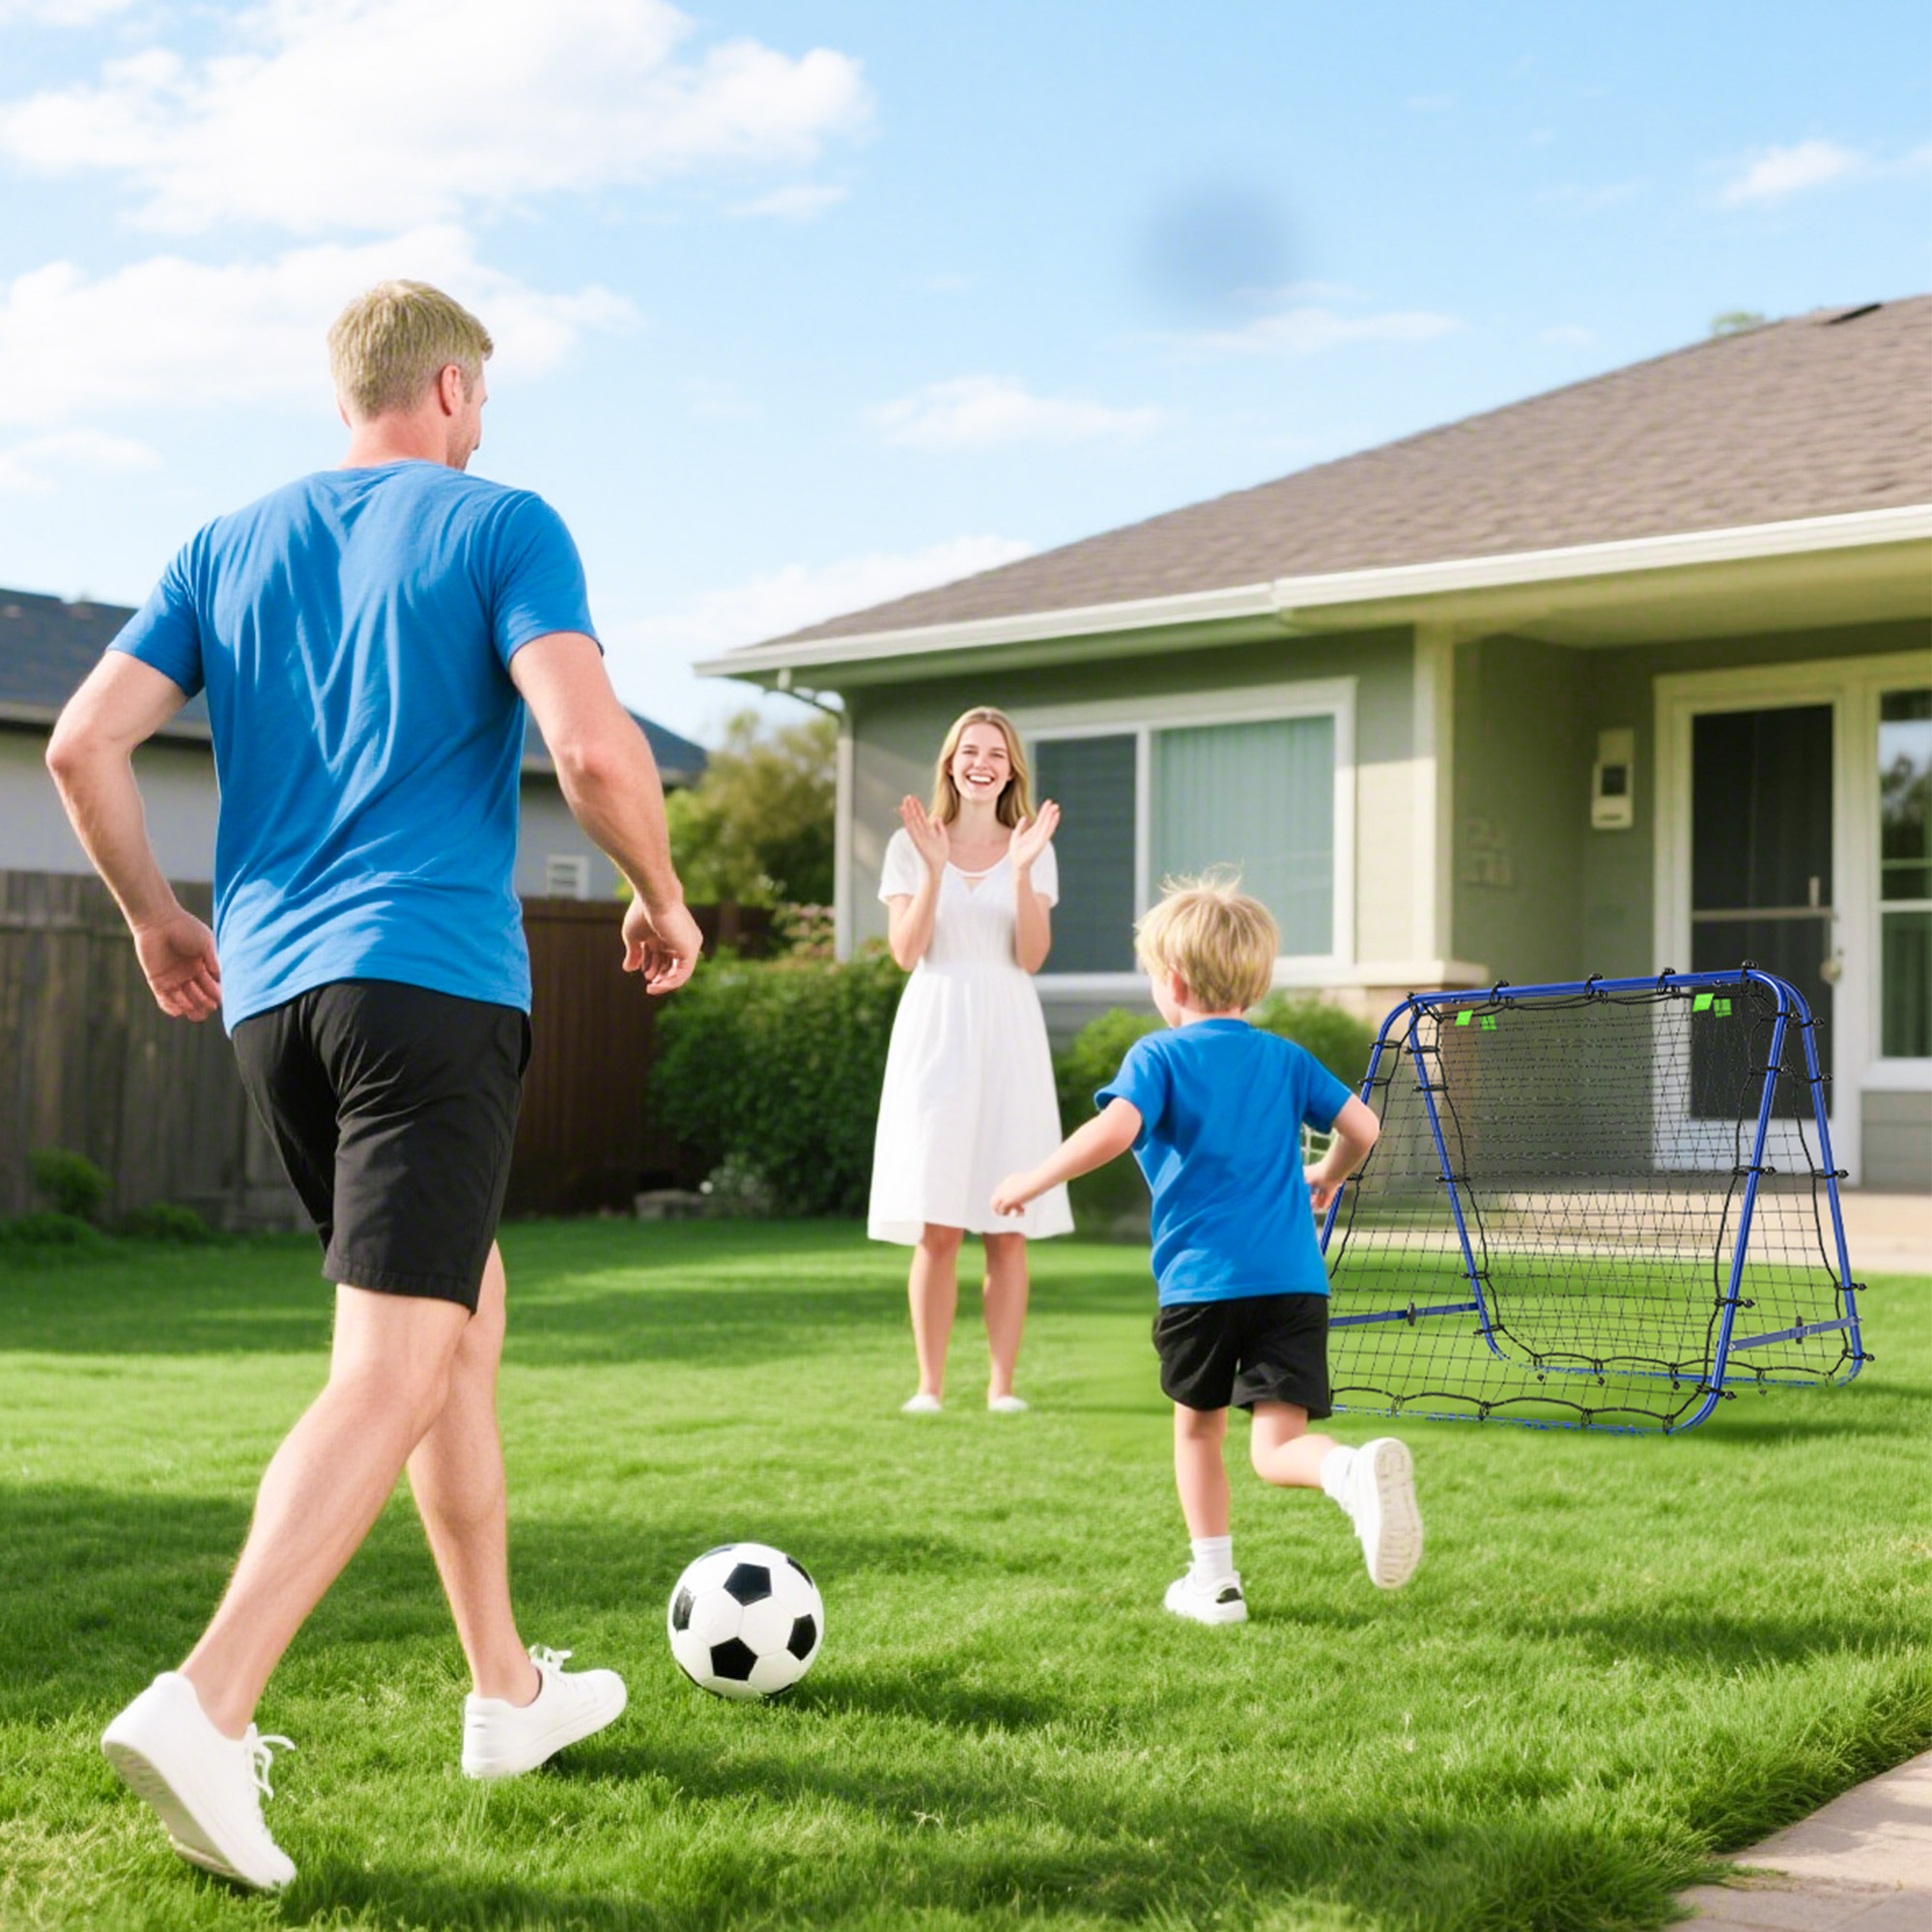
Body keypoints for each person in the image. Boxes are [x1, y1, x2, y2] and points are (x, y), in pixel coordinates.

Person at [44, 280, 703, 1891]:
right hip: (429, 991)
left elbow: (78, 747)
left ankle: (505, 1695)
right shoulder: (500, 523)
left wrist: (154, 918)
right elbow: (600, 750)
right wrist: (661, 893)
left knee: (456, 1333)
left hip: (273, 1001)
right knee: (394, 1365)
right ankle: (209, 1702)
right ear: (457, 390)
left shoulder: (225, 544)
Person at [991, 874, 1422, 1622]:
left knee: (1199, 1428)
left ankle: (1215, 1584)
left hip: (1202, 1286)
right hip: (1293, 1284)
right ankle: (1348, 1471)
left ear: (1175, 981)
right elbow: (1366, 1128)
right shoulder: (1284, 1058)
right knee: (1276, 1448)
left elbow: (1118, 1128)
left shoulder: (1159, 1056)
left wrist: (1036, 1175)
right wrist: (1327, 1173)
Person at [868, 705, 1072, 1413]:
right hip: (935, 1030)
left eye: (994, 752)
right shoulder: (911, 843)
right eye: (967, 751)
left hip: (1008, 1030)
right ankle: (928, 1386)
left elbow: (1032, 956)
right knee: (937, 1223)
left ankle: (1001, 1387)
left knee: (1006, 1225)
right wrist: (931, 871)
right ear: (950, 763)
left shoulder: (1033, 847)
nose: (980, 762)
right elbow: (906, 951)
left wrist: (1019, 871)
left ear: (1011, 767)